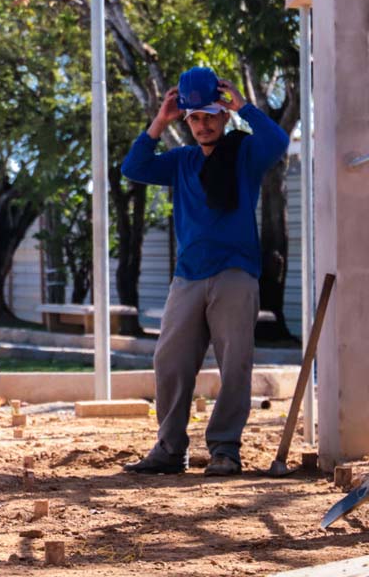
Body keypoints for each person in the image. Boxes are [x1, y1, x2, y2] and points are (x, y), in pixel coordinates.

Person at [120, 66, 289, 476]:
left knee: (235, 364)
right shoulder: (181, 162)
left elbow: (278, 141)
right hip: (188, 276)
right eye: (194, 117)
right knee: (170, 360)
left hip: (236, 273)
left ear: (224, 115)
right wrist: (160, 121)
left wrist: (244, 105)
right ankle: (169, 448)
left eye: (210, 115)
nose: (202, 124)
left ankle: (225, 450)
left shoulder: (244, 153)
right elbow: (134, 168)